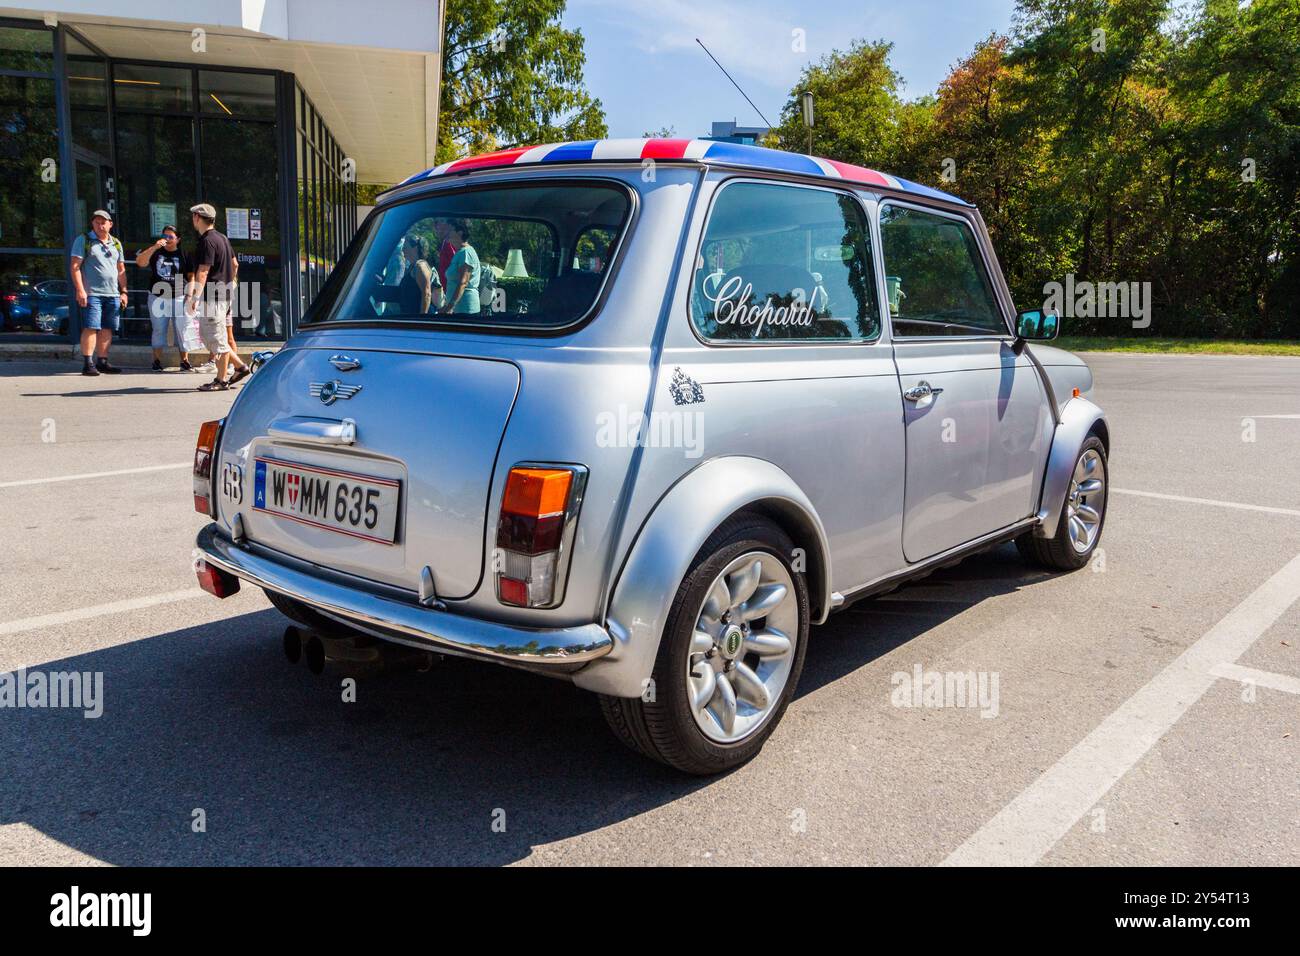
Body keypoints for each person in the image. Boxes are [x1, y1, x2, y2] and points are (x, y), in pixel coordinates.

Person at [184, 203, 245, 391]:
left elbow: (203, 271)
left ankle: (221, 380)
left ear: (197, 217)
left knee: (215, 338)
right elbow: (235, 264)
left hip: (214, 297)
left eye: (193, 216)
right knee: (213, 336)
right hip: (224, 295)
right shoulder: (222, 238)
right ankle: (240, 367)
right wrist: (231, 283)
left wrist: (194, 297)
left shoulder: (206, 241)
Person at [69, 210, 127, 376]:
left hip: (113, 294)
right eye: (97, 222)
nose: (100, 225)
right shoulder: (84, 240)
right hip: (92, 293)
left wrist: (124, 291)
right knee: (91, 326)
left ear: (110, 224)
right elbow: (75, 267)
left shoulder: (116, 243)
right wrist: (80, 290)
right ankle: (88, 363)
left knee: (108, 328)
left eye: (104, 222)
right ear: (92, 223)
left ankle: (102, 361)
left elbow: (121, 270)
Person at [135, 225, 193, 372]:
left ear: (178, 239)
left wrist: (191, 296)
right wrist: (154, 247)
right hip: (157, 297)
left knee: (182, 329)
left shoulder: (184, 254)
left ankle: (185, 361)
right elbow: (140, 262)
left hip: (179, 296)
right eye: (164, 236)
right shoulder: (156, 252)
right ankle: (156, 361)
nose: (167, 239)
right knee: (159, 329)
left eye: (170, 237)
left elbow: (191, 277)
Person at [372, 234, 439, 315]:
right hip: (409, 315)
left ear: (415, 248)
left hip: (417, 318)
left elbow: (427, 294)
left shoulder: (420, 266)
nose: (403, 250)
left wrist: (422, 318)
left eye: (405, 247)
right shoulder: (411, 266)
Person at [439, 219, 480, 315]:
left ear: (460, 233)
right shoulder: (460, 253)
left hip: (466, 310)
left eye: (450, 230)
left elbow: (463, 282)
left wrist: (450, 307)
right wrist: (447, 306)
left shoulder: (466, 252)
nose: (447, 232)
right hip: (459, 309)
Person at [433, 218, 455, 290]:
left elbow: (456, 268)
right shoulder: (445, 242)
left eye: (437, 222)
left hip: (450, 291)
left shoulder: (449, 243)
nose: (435, 226)